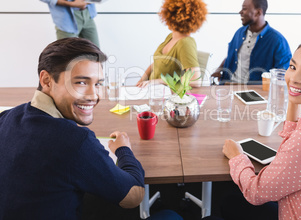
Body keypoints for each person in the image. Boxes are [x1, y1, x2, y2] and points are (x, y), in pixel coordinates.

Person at [0, 38, 181, 220]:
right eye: (81, 82)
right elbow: (134, 196)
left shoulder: (7, 117)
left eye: (98, 84)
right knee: (170, 216)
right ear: (46, 80)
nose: (94, 95)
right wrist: (123, 150)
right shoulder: (76, 142)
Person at [219, 36, 301, 219]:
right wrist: (294, 98)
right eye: (293, 67)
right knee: (229, 200)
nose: (294, 78)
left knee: (226, 203)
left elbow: (255, 192)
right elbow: (292, 144)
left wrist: (237, 156)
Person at [211, 0, 291, 85]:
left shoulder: (278, 41)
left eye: (244, 9)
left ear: (258, 12)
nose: (240, 12)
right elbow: (231, 57)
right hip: (228, 86)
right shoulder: (239, 32)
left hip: (253, 94)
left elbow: (283, 75)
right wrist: (218, 70)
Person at [136, 0, 208, 88]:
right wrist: (142, 80)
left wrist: (157, 81)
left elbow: (195, 80)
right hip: (150, 91)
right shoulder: (171, 37)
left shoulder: (185, 43)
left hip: (167, 96)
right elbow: (157, 63)